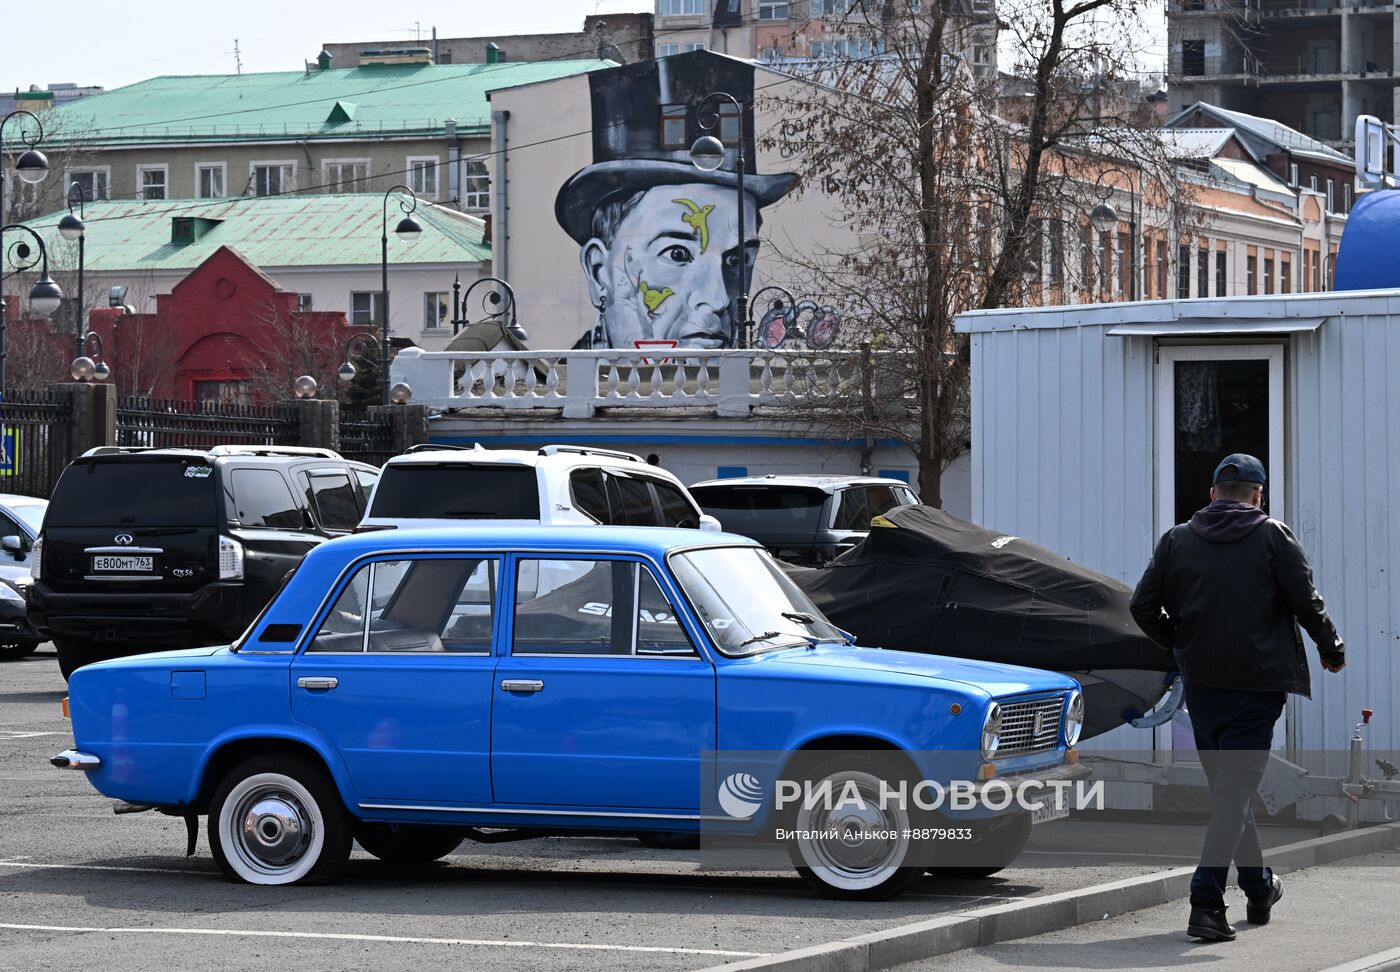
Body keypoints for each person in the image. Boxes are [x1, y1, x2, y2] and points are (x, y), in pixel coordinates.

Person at [1130, 453, 1345, 943]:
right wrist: (1332, 648)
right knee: (1233, 797)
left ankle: (1258, 886)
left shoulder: (1177, 540)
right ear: (1257, 494)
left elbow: (1142, 606)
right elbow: (1305, 600)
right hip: (1257, 687)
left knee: (1232, 796)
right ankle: (1205, 902)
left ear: (1211, 494)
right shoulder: (1272, 535)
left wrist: (1178, 642)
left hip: (1202, 688)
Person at [554, 53, 798, 350]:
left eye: (736, 260)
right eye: (678, 254)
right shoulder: (568, 388)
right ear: (599, 272)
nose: (719, 298)